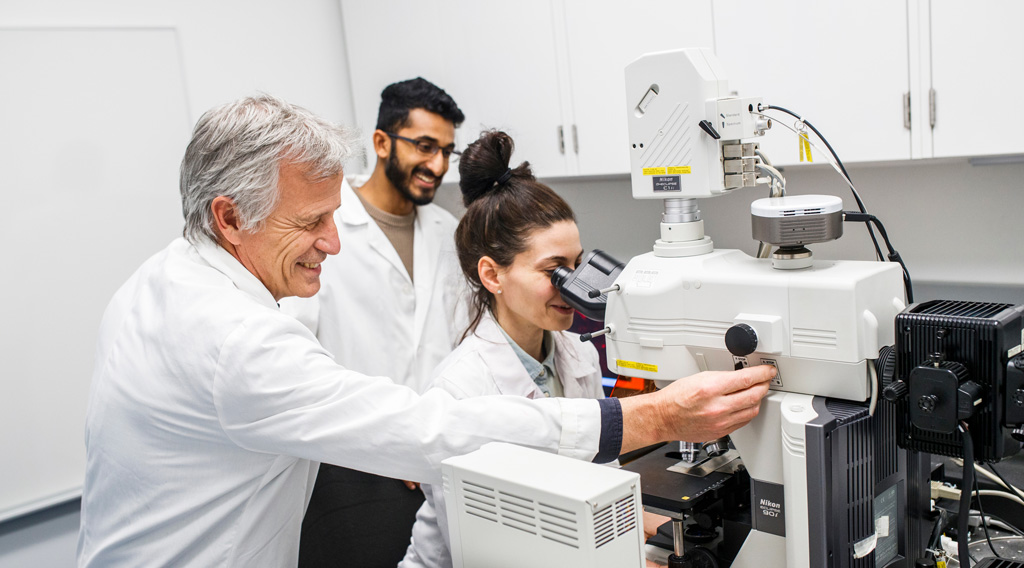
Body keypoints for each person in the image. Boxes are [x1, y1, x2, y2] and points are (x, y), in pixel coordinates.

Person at [76, 94, 775, 567]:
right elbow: (430, 435)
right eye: (311, 222)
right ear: (231, 218)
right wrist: (645, 417)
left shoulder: (162, 278)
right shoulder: (232, 340)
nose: (334, 241)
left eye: (332, 215)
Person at [400, 130, 668, 567]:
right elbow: (485, 552)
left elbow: (601, 492)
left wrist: (666, 534)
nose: (575, 285)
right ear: (493, 275)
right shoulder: (457, 394)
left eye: (578, 265)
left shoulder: (574, 350)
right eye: (554, 270)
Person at [281, 78, 468, 567]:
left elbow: (460, 343)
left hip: (437, 458)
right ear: (381, 142)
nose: (438, 165)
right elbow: (299, 357)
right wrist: (392, 436)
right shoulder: (325, 231)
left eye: (448, 151)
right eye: (425, 146)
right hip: (355, 466)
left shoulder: (449, 233)